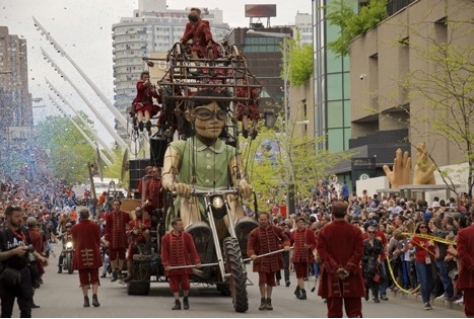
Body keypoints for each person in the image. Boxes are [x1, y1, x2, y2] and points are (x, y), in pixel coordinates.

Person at [161, 89, 253, 229]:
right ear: (190, 115)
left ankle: (239, 233)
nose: (214, 121)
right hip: (191, 200)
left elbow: (238, 175)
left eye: (220, 115)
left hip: (220, 205)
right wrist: (174, 184)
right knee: (189, 202)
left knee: (232, 198)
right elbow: (168, 174)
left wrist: (243, 184)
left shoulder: (230, 151)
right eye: (205, 115)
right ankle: (194, 231)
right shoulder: (177, 148)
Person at [317, 201, 365, 318]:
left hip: (332, 275)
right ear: (346, 213)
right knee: (355, 312)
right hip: (351, 274)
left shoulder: (324, 231)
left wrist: (336, 268)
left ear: (332, 213)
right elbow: (358, 252)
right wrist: (348, 268)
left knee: (334, 313)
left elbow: (323, 253)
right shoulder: (356, 231)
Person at [0, 205, 48, 317]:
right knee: (6, 312)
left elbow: (30, 248)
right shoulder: (2, 234)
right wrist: (13, 252)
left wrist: (39, 257)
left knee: (26, 310)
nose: (20, 219)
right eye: (17, 216)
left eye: (21, 216)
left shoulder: (25, 232)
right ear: (8, 217)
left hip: (24, 274)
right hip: (8, 276)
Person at [247, 211, 291, 311]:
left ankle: (269, 300)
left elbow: (285, 239)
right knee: (262, 279)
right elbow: (250, 247)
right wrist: (252, 254)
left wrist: (286, 245)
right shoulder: (254, 233)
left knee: (271, 280)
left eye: (264, 219)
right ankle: (263, 300)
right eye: (261, 220)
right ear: (259, 220)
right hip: (261, 259)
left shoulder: (276, 229)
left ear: (268, 219)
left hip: (273, 259)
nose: (263, 221)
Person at [161, 218, 201, 310]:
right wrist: (166, 264)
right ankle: (177, 302)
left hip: (184, 265)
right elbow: (164, 252)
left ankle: (186, 299)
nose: (182, 226)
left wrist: (197, 261)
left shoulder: (187, 236)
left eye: (182, 224)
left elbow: (193, 249)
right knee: (173, 285)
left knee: (185, 284)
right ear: (174, 226)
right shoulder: (166, 238)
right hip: (172, 266)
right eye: (180, 225)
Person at [71, 208, 102, 307]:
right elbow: (98, 240)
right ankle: (95, 297)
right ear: (88, 215)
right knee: (94, 277)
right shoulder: (96, 226)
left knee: (83, 278)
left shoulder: (74, 228)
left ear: (80, 216)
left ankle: (86, 299)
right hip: (93, 252)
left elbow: (75, 242)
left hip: (81, 254)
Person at [409, 220, 436, 310]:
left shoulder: (431, 236)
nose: (424, 228)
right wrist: (406, 242)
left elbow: (436, 245)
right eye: (422, 227)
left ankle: (428, 297)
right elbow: (410, 246)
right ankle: (426, 301)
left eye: (425, 227)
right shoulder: (416, 237)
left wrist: (438, 254)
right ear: (419, 229)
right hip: (420, 261)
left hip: (430, 261)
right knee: (424, 281)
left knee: (431, 281)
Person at [104, 199, 131, 282]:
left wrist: (129, 231)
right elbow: (107, 229)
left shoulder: (125, 215)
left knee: (122, 255)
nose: (116, 206)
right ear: (112, 206)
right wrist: (107, 239)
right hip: (113, 239)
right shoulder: (109, 216)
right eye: (114, 205)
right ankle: (114, 273)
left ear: (120, 205)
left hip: (122, 238)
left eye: (117, 204)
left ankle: (120, 271)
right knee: (112, 256)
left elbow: (131, 223)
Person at [290, 217, 317, 300]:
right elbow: (289, 243)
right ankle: (303, 292)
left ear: (304, 223)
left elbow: (314, 243)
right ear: (296, 223)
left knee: (304, 275)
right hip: (297, 257)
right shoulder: (293, 233)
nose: (300, 224)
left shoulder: (309, 232)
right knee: (300, 275)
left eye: (301, 222)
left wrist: (309, 246)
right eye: (298, 222)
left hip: (306, 257)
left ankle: (297, 290)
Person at [123, 207, 151, 283]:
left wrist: (143, 228)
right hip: (134, 241)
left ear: (142, 212)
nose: (139, 213)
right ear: (135, 213)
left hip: (144, 242)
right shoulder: (132, 222)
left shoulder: (146, 220)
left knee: (147, 232)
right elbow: (128, 232)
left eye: (140, 211)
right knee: (129, 256)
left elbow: (148, 228)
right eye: (137, 212)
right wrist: (132, 231)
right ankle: (129, 274)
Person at [455, 213, 474, 317]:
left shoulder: (462, 233)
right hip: (469, 275)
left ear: (471, 217)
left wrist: (472, 267)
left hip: (469, 276)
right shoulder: (463, 233)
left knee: (471, 310)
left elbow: (463, 254)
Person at [362, 225, 384, 303]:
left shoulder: (378, 242)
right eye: (369, 232)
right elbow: (362, 254)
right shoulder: (364, 243)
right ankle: (367, 289)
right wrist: (365, 260)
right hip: (367, 263)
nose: (371, 234)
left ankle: (376, 296)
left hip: (376, 263)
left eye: (373, 232)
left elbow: (381, 251)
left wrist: (379, 258)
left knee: (377, 279)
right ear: (367, 233)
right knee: (368, 279)